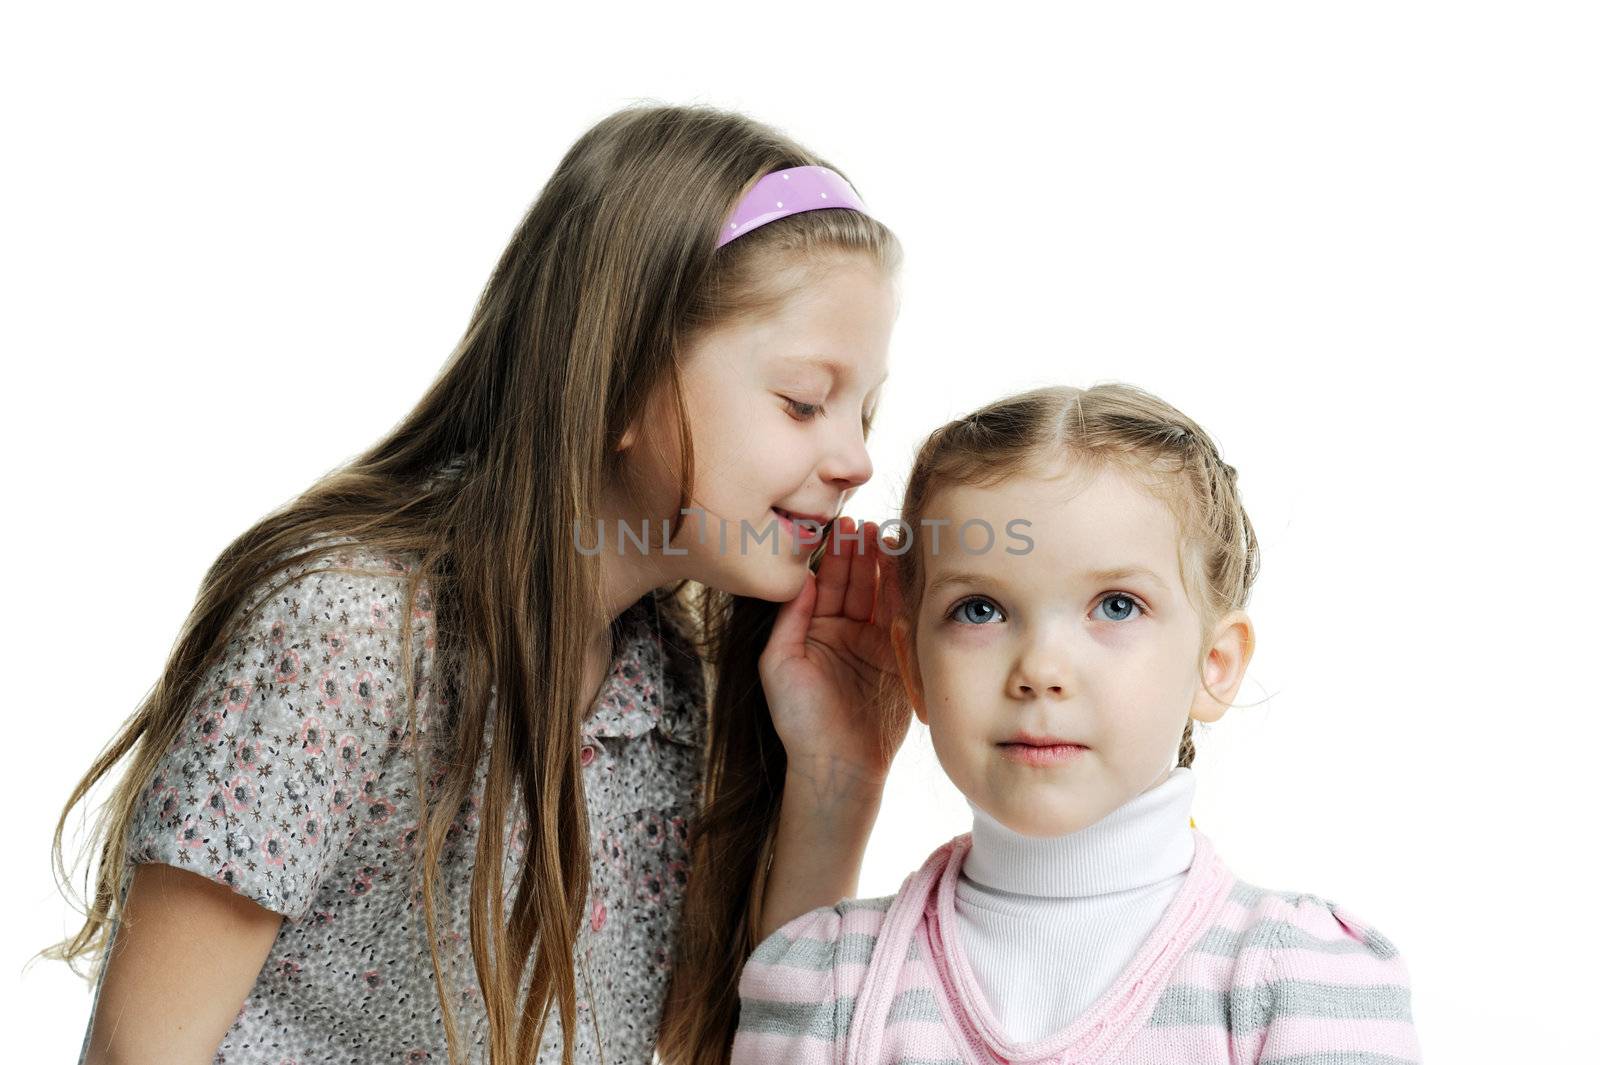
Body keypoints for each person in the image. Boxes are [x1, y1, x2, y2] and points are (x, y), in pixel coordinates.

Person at [43, 104, 913, 1065]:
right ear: (623, 375)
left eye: (864, 410)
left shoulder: (658, 680)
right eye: (804, 401)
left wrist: (838, 777)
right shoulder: (352, 627)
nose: (857, 459)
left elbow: (728, 1049)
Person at [733, 383, 1421, 1063]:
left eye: (1116, 606)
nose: (1040, 667)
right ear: (913, 670)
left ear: (1215, 663)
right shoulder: (826, 982)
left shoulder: (1305, 986)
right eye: (980, 609)